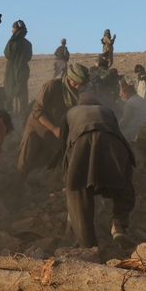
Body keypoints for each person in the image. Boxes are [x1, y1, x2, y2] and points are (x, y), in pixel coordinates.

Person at [60, 103, 136, 249]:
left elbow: (64, 146)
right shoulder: (107, 111)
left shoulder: (70, 113)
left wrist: (67, 177)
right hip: (112, 141)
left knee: (77, 193)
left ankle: (88, 246)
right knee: (123, 184)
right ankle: (117, 225)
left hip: (81, 144)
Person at [13, 63, 90, 194]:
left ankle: (70, 190)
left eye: (80, 85)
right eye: (76, 83)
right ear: (69, 78)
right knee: (25, 161)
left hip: (57, 131)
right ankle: (15, 190)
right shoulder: (52, 86)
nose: (77, 87)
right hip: (37, 127)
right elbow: (38, 111)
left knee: (64, 158)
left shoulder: (77, 92)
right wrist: (54, 128)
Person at [3, 20, 33, 116]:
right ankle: (23, 115)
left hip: (11, 70)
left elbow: (6, 54)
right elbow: (28, 57)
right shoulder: (28, 43)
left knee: (9, 90)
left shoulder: (11, 42)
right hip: (23, 69)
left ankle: (9, 112)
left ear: (15, 30)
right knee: (23, 91)